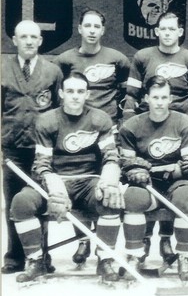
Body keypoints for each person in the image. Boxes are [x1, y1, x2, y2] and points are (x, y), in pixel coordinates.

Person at [9, 72, 125, 283]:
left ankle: (105, 260)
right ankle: (36, 261)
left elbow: (111, 156)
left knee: (110, 200)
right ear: (61, 93)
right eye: (70, 91)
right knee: (21, 202)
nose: (75, 96)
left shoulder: (100, 119)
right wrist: (53, 185)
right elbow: (41, 164)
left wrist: (108, 181)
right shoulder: (47, 120)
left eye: (80, 91)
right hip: (55, 180)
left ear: (87, 94)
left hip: (87, 180)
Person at [124, 12, 188, 263]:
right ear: (157, 31)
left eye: (173, 29)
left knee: (181, 189)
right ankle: (143, 243)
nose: (168, 33)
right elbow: (131, 96)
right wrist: (126, 125)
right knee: (141, 187)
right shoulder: (142, 57)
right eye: (163, 29)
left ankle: (167, 242)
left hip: (180, 128)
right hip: (147, 127)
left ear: (180, 32)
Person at [53, 9, 131, 266]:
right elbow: (59, 95)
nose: (92, 30)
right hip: (75, 131)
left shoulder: (117, 59)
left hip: (104, 131)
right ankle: (83, 239)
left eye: (97, 26)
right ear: (79, 28)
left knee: (101, 188)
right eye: (87, 25)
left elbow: (123, 92)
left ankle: (102, 248)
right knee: (79, 184)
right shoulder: (65, 59)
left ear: (103, 30)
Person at [118, 76, 188, 282]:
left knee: (187, 197)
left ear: (171, 99)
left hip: (176, 183)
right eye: (155, 97)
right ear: (146, 98)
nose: (159, 102)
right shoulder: (131, 126)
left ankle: (184, 258)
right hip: (145, 184)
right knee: (132, 197)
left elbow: (185, 168)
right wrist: (135, 169)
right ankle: (134, 255)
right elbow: (128, 165)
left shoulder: (185, 123)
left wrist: (151, 167)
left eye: (164, 97)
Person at [1, 20, 62, 274]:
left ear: (40, 41)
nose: (28, 41)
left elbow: (59, 111)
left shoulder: (53, 71)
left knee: (40, 202)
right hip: (13, 148)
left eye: (33, 37)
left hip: (42, 149)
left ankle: (42, 256)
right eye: (23, 36)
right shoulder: (2, 69)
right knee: (14, 203)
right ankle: (15, 256)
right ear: (14, 40)